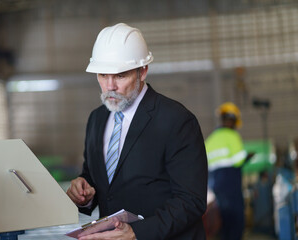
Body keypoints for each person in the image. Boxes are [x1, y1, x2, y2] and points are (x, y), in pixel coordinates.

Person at [66, 23, 208, 240]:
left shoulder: (177, 120)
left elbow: (191, 201)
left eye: (120, 76)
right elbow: (98, 181)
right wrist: (84, 194)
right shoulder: (97, 119)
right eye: (103, 75)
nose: (110, 86)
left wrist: (137, 233)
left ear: (143, 71)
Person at [205, 102, 249, 240]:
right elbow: (239, 160)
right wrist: (249, 156)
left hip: (215, 189)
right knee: (236, 224)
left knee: (222, 225)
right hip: (231, 188)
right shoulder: (232, 136)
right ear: (233, 120)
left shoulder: (210, 140)